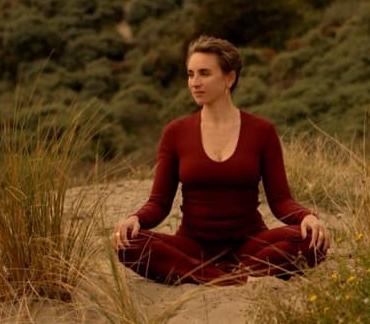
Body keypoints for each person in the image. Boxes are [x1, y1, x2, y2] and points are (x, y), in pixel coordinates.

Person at [113, 36, 329, 285]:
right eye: (190, 74)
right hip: (193, 246)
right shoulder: (176, 132)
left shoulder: (262, 131)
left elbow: (281, 201)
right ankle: (231, 277)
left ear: (229, 78)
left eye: (204, 73)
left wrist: (306, 217)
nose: (195, 83)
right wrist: (136, 219)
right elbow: (159, 203)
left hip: (251, 244)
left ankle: (207, 275)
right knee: (128, 243)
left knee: (313, 241)